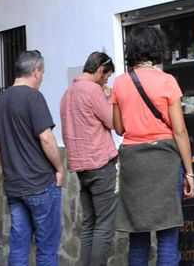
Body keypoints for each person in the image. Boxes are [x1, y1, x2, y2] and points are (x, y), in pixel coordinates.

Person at [113, 26, 194, 266]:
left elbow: (118, 128)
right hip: (164, 162)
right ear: (157, 48)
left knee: (137, 237)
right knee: (168, 234)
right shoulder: (167, 81)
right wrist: (189, 172)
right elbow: (179, 131)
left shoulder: (120, 83)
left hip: (133, 164)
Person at [0, 49, 64, 266]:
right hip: (40, 184)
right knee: (47, 249)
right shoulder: (34, 97)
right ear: (35, 71)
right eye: (42, 72)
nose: (42, 77)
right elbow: (46, 137)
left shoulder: (0, 102)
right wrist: (59, 169)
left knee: (19, 247)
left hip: (15, 187)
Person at [61, 51, 119, 266]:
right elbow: (112, 122)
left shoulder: (68, 93)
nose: (107, 81)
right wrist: (109, 97)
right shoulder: (92, 90)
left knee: (89, 224)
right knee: (104, 225)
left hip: (81, 167)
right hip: (100, 163)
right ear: (100, 70)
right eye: (107, 76)